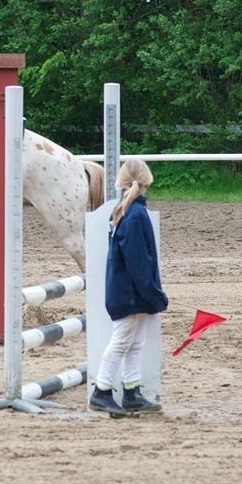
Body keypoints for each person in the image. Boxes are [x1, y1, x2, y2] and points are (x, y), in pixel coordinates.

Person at [89, 158, 168, 416]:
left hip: (131, 291)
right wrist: (154, 293)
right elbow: (138, 263)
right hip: (130, 292)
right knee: (122, 340)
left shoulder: (128, 212)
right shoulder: (134, 215)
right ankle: (101, 390)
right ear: (147, 181)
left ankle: (132, 390)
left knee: (136, 341)